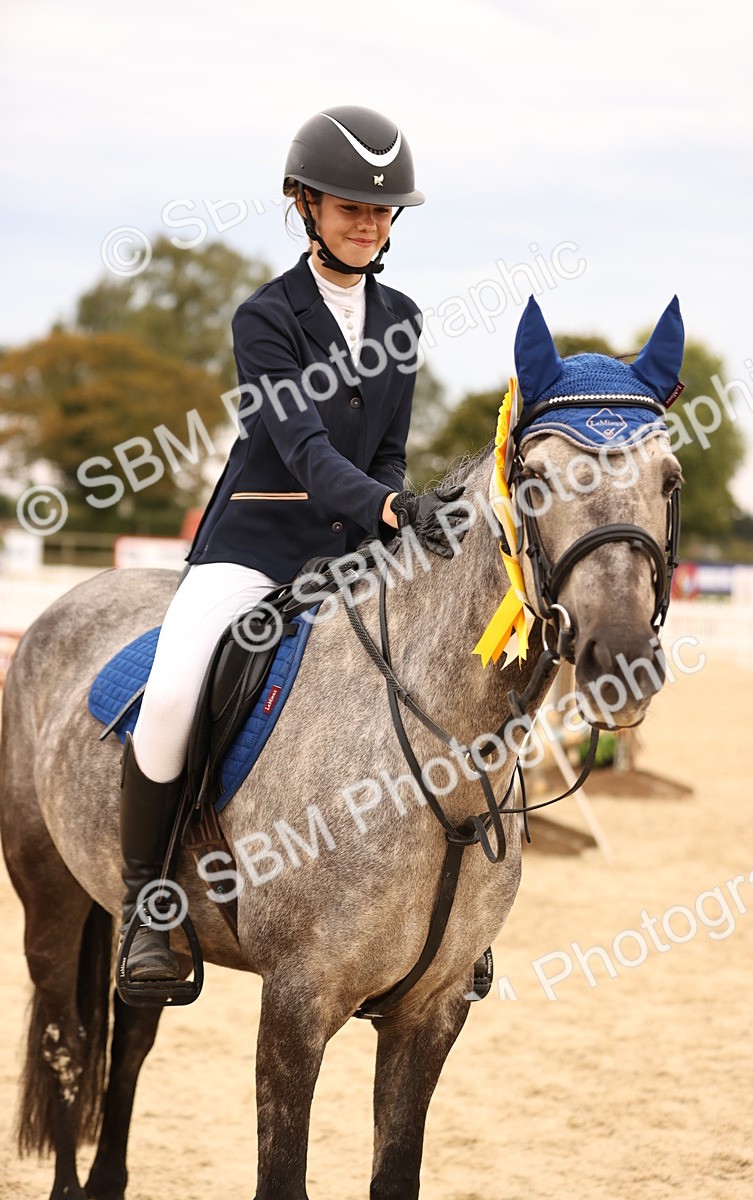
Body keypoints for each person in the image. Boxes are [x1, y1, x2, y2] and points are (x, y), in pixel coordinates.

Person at [118, 105, 466, 985]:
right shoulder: (264, 318)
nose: (369, 221)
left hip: (355, 547)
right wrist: (390, 509)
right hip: (257, 543)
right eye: (351, 204)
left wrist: (401, 513)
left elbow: (386, 449)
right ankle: (144, 911)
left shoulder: (403, 317)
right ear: (304, 203)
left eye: (383, 210)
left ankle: (456, 918)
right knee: (168, 698)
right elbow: (308, 451)